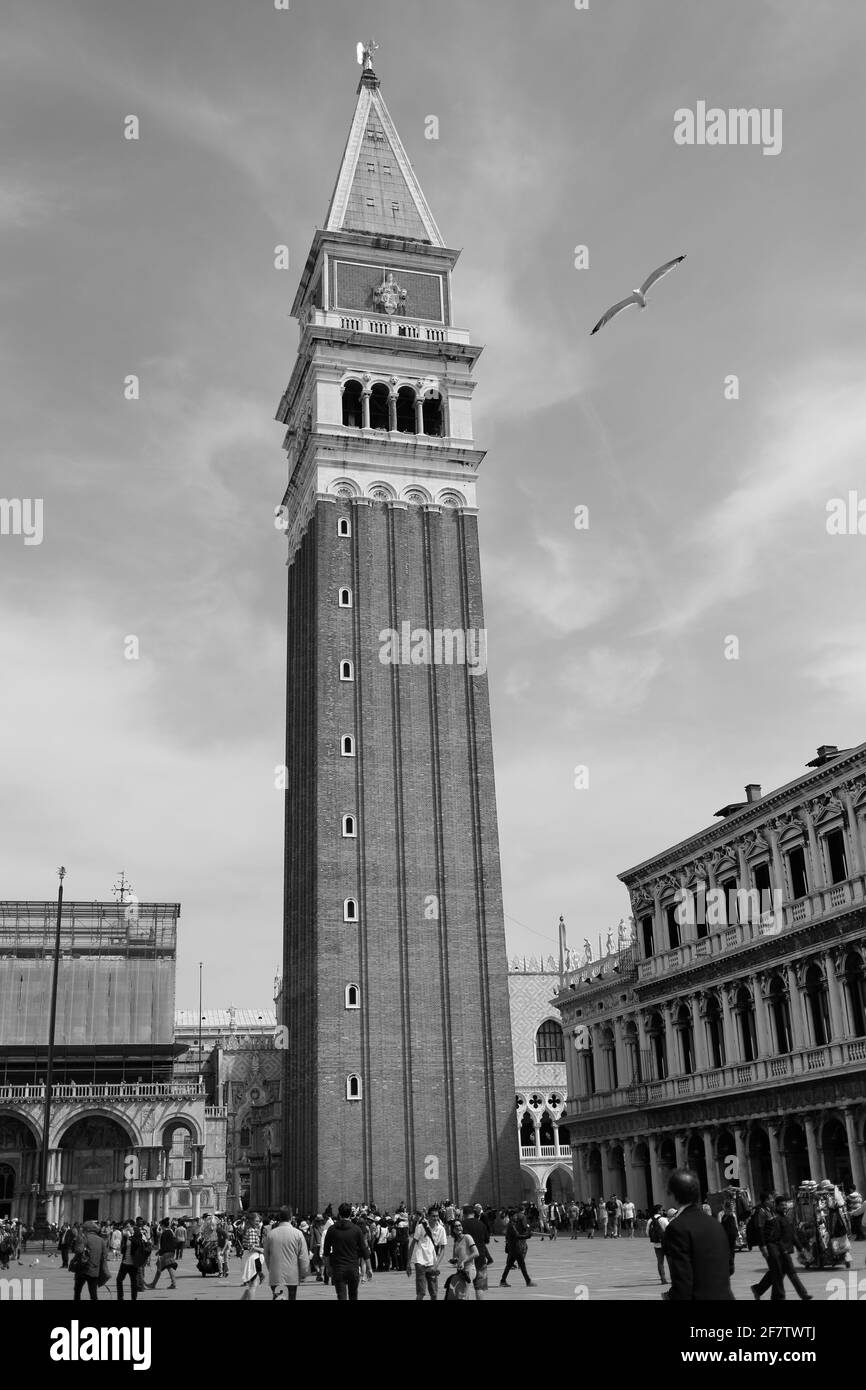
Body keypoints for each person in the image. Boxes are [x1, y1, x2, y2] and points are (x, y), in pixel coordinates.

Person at [661, 1169, 734, 1301]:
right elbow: (730, 1267)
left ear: (672, 1194)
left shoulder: (676, 1228)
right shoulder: (715, 1224)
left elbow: (682, 1280)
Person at [754, 1196, 812, 1302]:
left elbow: (793, 1234)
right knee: (780, 1274)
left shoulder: (786, 1217)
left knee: (782, 1273)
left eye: (786, 1205)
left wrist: (801, 1248)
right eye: (782, 1205)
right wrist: (780, 1249)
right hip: (780, 1250)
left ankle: (759, 1290)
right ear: (776, 1206)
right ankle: (779, 1296)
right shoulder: (775, 1218)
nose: (785, 1207)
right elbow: (776, 1236)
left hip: (785, 1250)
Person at [323, 1202, 371, 1301]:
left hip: (338, 1268)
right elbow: (364, 1249)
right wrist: (369, 1268)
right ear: (350, 1214)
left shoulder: (332, 1229)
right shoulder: (356, 1229)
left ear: (339, 1214)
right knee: (353, 1296)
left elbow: (326, 1252)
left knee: (341, 1296)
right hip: (353, 1268)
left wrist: (328, 1268)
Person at [264, 1206, 311, 1301]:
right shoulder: (297, 1234)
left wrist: (271, 1268)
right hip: (292, 1276)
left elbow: (267, 1256)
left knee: (278, 1297)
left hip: (276, 1275)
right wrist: (304, 1272)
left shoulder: (271, 1234)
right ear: (291, 1217)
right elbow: (303, 1256)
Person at [407, 1207, 446, 1301]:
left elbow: (443, 1249)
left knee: (434, 1293)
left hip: (432, 1263)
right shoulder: (421, 1227)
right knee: (421, 1292)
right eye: (433, 1216)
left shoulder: (441, 1229)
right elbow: (412, 1244)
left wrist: (436, 1265)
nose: (435, 1218)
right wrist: (408, 1262)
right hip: (420, 1262)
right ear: (428, 1216)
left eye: (437, 1216)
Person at [750, 1192, 784, 1301]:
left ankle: (758, 1289)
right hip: (767, 1245)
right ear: (765, 1201)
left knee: (776, 1270)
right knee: (777, 1269)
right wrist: (763, 1246)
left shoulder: (770, 1210)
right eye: (770, 1199)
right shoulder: (761, 1212)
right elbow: (759, 1230)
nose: (772, 1201)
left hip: (775, 1244)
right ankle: (771, 1294)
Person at [71, 1219, 108, 1301]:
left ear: (87, 1229)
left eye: (83, 1228)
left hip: (82, 1269)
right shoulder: (101, 1240)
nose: (82, 1229)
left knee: (77, 1290)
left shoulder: (84, 1238)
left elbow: (78, 1250)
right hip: (94, 1270)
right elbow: (105, 1255)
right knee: (93, 1293)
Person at [500, 1209, 537, 1288]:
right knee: (522, 1265)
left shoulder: (512, 1225)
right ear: (511, 1217)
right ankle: (528, 1281)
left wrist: (527, 1234)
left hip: (512, 1248)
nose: (516, 1217)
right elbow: (517, 1236)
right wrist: (528, 1236)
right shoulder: (511, 1226)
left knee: (509, 1265)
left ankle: (503, 1281)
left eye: (516, 1216)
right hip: (516, 1248)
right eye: (514, 1216)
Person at [461, 1205, 491, 1300]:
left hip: (467, 1259)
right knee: (480, 1288)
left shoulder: (461, 1225)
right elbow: (486, 1240)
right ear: (473, 1213)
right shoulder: (481, 1224)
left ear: (464, 1214)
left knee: (465, 1288)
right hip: (481, 1259)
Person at [449, 1219, 480, 1301]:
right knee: (461, 1294)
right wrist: (454, 1260)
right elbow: (456, 1257)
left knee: (465, 1294)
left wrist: (463, 1261)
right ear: (453, 1229)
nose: (458, 1227)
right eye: (456, 1226)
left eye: (459, 1225)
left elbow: (476, 1253)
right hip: (460, 1271)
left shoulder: (467, 1237)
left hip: (469, 1269)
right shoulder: (456, 1242)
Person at [147, 1217, 177, 1291]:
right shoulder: (170, 1232)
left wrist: (159, 1252)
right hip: (171, 1252)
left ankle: (154, 1284)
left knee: (161, 1268)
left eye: (161, 1225)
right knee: (168, 1267)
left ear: (163, 1225)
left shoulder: (164, 1233)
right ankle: (173, 1283)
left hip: (165, 1253)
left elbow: (164, 1245)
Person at [646, 1204, 669, 1284]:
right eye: (662, 1210)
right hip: (666, 1243)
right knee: (670, 1261)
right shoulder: (663, 1219)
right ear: (659, 1210)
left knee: (660, 1262)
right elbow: (669, 1230)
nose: (663, 1211)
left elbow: (647, 1233)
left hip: (656, 1244)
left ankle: (663, 1279)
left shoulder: (650, 1220)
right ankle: (674, 1277)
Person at [719, 1200, 739, 1276]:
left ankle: (730, 1266)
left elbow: (734, 1226)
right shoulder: (724, 1216)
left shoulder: (731, 1216)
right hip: (727, 1237)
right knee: (729, 1252)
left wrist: (737, 1235)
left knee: (731, 1252)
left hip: (730, 1237)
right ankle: (729, 1266)